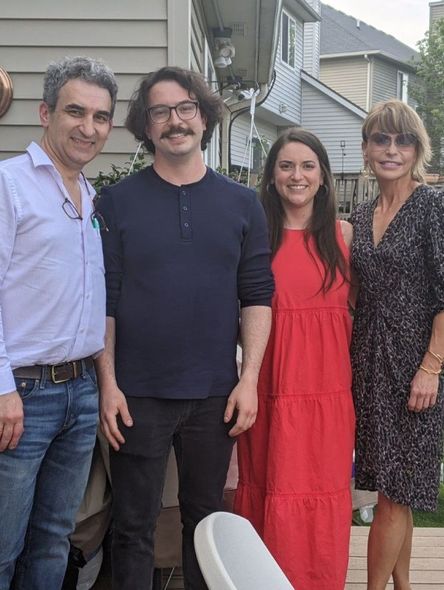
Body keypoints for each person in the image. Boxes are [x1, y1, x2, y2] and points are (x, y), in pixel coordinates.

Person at [95, 65, 274, 590]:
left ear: (204, 117)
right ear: (146, 125)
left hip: (215, 395)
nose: (175, 120)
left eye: (185, 108)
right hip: (136, 394)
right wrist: (108, 384)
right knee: (132, 527)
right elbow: (104, 301)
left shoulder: (242, 204)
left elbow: (257, 296)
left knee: (206, 525)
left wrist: (249, 379)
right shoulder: (117, 203)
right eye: (160, 111)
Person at [0, 56, 117, 589]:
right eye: (75, 112)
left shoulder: (89, 195)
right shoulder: (10, 186)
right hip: (22, 395)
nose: (88, 128)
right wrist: (3, 390)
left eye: (100, 117)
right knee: (4, 547)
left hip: (80, 391)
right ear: (46, 113)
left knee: (52, 540)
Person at [234, 128, 356, 589]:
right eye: (286, 166)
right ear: (271, 176)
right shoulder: (254, 236)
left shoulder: (345, 236)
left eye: (307, 166)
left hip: (328, 395)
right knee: (268, 487)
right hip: (270, 388)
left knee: (322, 493)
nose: (297, 175)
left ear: (323, 176)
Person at [350, 99, 444, 590]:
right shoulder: (361, 214)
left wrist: (431, 367)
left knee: (392, 495)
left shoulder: (432, 207)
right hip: (368, 365)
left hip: (414, 370)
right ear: (367, 149)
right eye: (380, 139)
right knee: (395, 492)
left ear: (417, 150)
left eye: (402, 140)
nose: (391, 150)